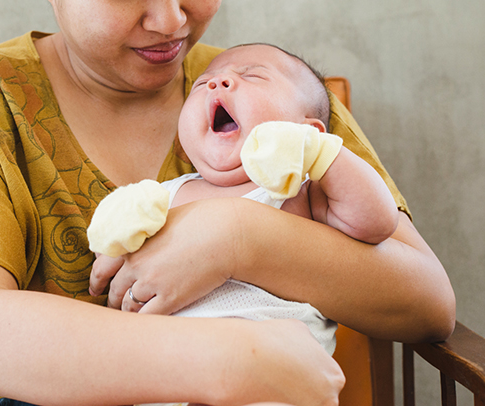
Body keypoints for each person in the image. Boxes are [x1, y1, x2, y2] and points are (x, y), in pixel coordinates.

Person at [0, 1, 456, 405]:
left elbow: (427, 303)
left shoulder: (274, 87)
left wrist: (236, 237)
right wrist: (229, 361)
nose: (173, 20)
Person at [87, 43, 401, 358]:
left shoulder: (302, 191)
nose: (217, 82)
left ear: (308, 131)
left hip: (276, 363)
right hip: (174, 371)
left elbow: (375, 222)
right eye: (201, 84)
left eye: (252, 76)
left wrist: (320, 155)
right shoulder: (166, 194)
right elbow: (113, 244)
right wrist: (114, 239)